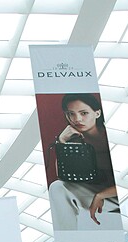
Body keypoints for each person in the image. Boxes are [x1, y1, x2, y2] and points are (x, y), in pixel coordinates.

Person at [47, 92, 120, 231]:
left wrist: (101, 195)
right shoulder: (75, 140)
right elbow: (62, 176)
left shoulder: (114, 135)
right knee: (57, 187)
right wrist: (61, 142)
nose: (77, 119)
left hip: (118, 194)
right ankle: (68, 238)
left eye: (84, 113)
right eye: (71, 114)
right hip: (94, 191)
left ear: (97, 113)